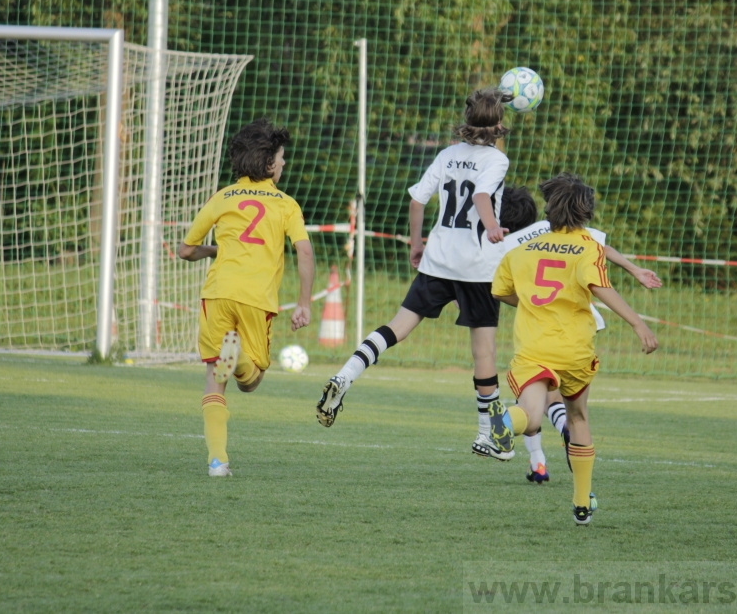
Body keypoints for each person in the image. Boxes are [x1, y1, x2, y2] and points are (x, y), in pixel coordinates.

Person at [316, 88, 517, 461]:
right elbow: (480, 198)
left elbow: (417, 200)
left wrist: (415, 243)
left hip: (438, 259)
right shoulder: (496, 160)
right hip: (477, 266)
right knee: (484, 352)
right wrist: (491, 227)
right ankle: (486, 435)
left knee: (397, 327)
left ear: (466, 120)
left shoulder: (446, 154)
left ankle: (346, 374)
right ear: (498, 126)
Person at [488, 173, 659, 524]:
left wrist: (533, 306)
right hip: (574, 352)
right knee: (578, 417)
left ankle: (505, 420)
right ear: (586, 213)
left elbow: (502, 292)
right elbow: (600, 288)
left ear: (550, 209)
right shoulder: (588, 247)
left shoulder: (522, 251)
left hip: (534, 349)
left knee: (531, 414)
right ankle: (582, 503)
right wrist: (638, 323)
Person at [179, 119, 315, 477]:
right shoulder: (286, 204)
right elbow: (304, 252)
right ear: (269, 164)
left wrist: (215, 251)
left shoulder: (222, 197)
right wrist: (304, 302)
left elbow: (185, 250)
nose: (284, 164)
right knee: (250, 381)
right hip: (256, 299)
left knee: (214, 377)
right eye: (282, 158)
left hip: (218, 294)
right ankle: (237, 357)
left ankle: (217, 461)